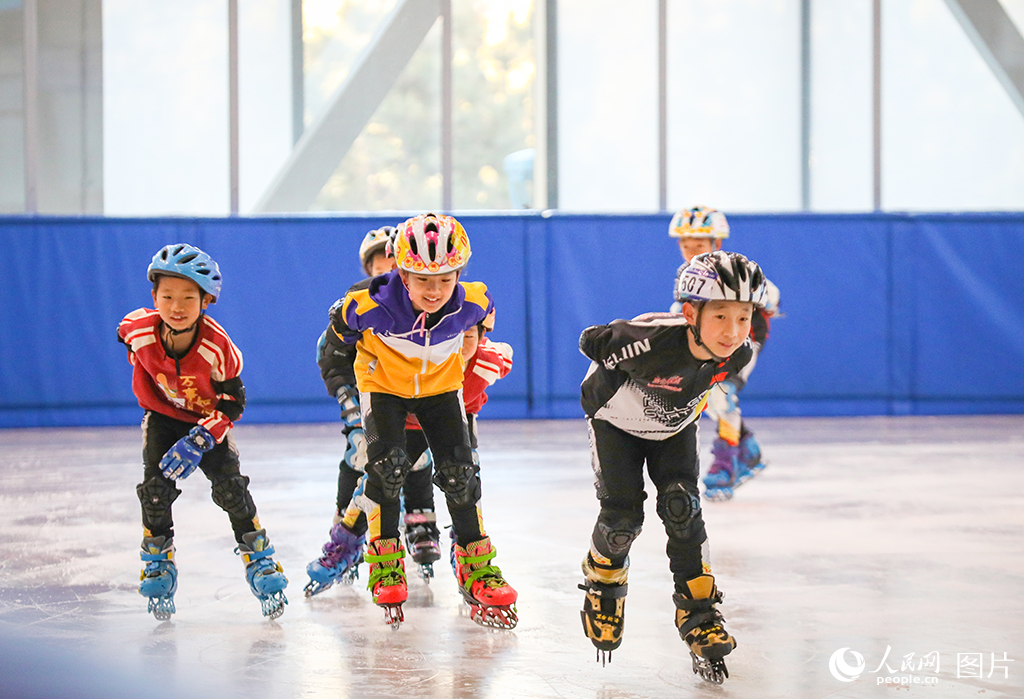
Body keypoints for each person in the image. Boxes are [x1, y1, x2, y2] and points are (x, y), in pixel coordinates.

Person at [577, 251, 770, 684]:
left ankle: (699, 610)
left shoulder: (737, 355)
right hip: (615, 424)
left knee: (683, 511)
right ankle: (604, 584)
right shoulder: (650, 339)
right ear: (689, 312)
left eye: (743, 318)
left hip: (673, 430)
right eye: (720, 316)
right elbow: (592, 340)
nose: (733, 332)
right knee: (622, 518)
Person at [325, 212, 517, 629]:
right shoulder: (368, 304)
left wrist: (471, 343)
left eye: (445, 280)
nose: (435, 291)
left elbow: (482, 317)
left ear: (459, 275)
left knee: (460, 473)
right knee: (388, 469)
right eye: (423, 281)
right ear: (402, 274)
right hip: (385, 389)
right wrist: (348, 385)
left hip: (439, 389)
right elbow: (337, 334)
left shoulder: (475, 299)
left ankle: (476, 566)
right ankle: (386, 561)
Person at [117, 243, 288, 620]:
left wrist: (202, 437)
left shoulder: (218, 346)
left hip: (208, 421)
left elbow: (233, 403)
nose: (177, 306)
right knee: (156, 492)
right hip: (162, 417)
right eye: (167, 296)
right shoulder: (137, 330)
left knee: (231, 489)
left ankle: (258, 557)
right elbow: (126, 338)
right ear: (154, 297)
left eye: (188, 298)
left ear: (206, 300)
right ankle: (158, 559)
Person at [668, 207, 781, 500]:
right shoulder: (686, 276)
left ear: (715, 244)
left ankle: (725, 461)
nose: (691, 251)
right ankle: (748, 448)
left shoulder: (731, 269)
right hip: (711, 338)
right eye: (686, 245)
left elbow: (771, 292)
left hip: (745, 338)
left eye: (699, 246)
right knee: (709, 393)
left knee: (721, 391)